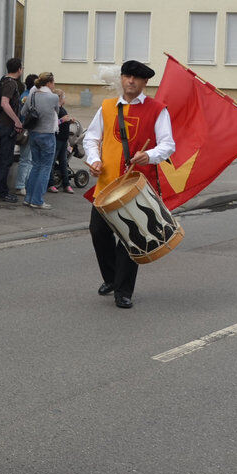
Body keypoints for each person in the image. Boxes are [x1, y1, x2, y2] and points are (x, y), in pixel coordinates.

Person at [83, 60, 175, 309]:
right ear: (121, 79)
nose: (131, 81)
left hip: (137, 187)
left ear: (145, 83)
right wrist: (94, 159)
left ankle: (123, 290)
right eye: (127, 76)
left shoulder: (157, 109)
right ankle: (112, 278)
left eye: (136, 78)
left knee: (129, 238)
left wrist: (150, 155)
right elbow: (91, 138)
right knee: (98, 232)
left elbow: (168, 145)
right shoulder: (107, 107)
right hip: (106, 184)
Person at [23, 72, 59, 209]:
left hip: (33, 133)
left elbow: (23, 112)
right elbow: (57, 110)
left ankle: (28, 198)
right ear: (49, 83)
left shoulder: (32, 95)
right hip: (48, 134)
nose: (54, 85)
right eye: (53, 83)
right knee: (45, 167)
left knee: (36, 165)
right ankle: (37, 200)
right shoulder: (54, 97)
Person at [0, 57, 24, 203]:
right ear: (19, 69)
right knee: (6, 159)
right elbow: (5, 103)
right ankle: (1, 192)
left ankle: (2, 190)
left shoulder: (4, 80)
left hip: (3, 124)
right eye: (21, 68)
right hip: (6, 125)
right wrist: (17, 120)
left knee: (6, 158)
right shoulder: (10, 84)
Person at [14, 73, 38, 195]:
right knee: (26, 159)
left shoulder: (27, 95)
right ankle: (21, 185)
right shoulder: (28, 97)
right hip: (28, 131)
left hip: (29, 130)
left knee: (29, 159)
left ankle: (25, 184)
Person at [52, 89, 75, 194]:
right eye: (64, 96)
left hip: (63, 140)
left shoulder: (62, 109)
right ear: (59, 98)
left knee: (64, 162)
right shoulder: (55, 109)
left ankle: (66, 184)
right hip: (57, 139)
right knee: (52, 162)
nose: (65, 98)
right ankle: (50, 184)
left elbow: (64, 120)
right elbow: (52, 123)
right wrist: (62, 120)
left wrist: (69, 120)